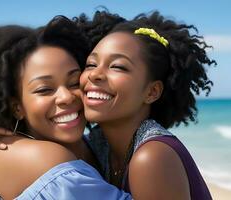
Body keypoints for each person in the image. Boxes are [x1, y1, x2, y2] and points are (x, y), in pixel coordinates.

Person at [0, 16, 131, 199]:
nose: (66, 97)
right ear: (16, 107)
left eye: (74, 83)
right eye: (44, 89)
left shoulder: (94, 143)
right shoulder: (44, 158)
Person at [80, 11, 215, 199]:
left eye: (118, 66)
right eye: (91, 64)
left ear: (151, 92)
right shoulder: (97, 144)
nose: (95, 75)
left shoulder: (152, 156)